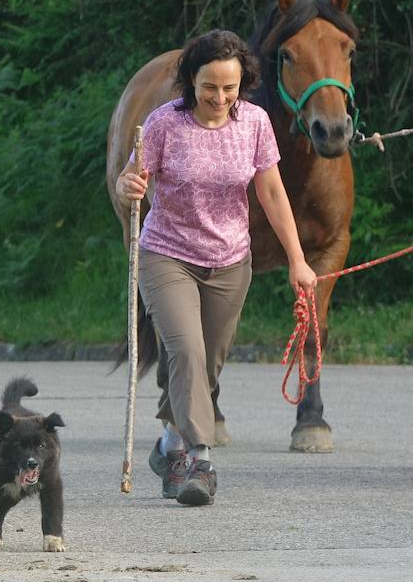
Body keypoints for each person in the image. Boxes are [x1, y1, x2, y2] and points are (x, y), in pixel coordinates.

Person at [115, 29, 317, 506]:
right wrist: (128, 187)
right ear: (191, 80)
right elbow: (131, 178)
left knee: (206, 365)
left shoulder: (255, 123)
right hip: (167, 254)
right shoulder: (164, 123)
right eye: (210, 87)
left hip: (229, 260)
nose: (220, 97)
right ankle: (199, 461)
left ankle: (169, 445)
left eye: (230, 87)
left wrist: (298, 259)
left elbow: (272, 192)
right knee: (186, 350)